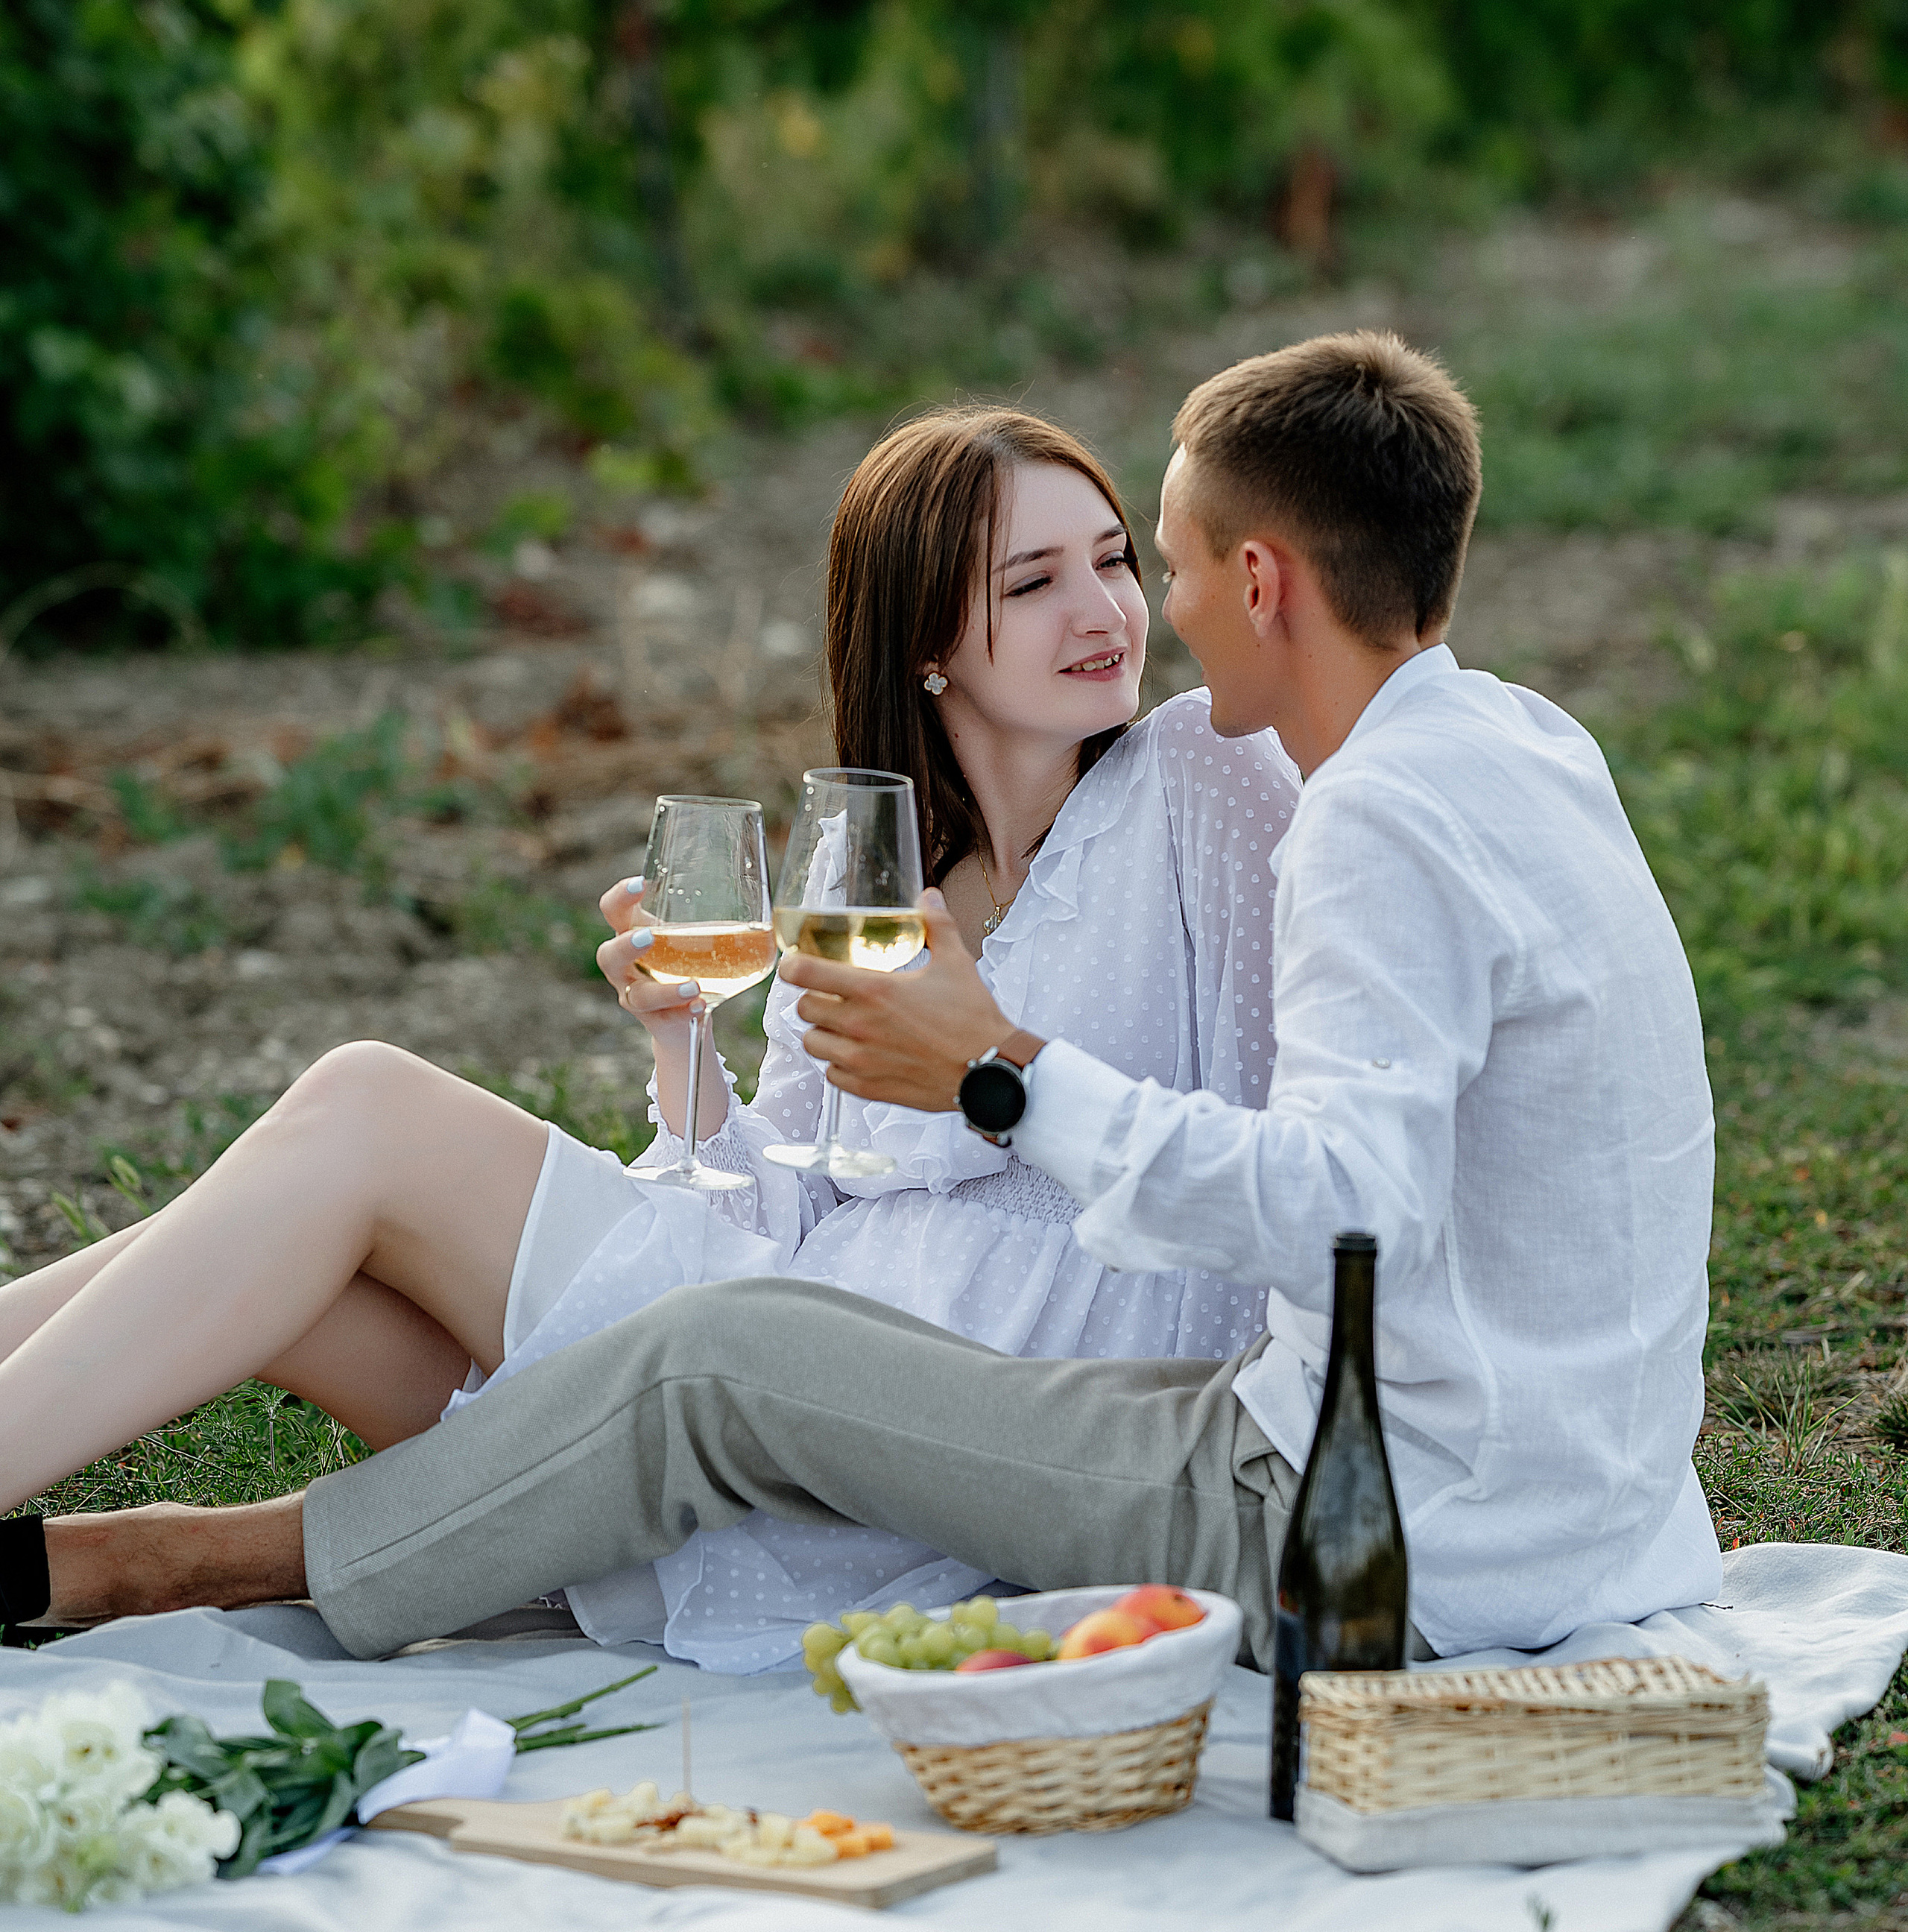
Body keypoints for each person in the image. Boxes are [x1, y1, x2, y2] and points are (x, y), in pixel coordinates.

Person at [6, 329, 1723, 1668]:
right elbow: (793, 1179)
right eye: (1039, 580)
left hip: (1068, 1387)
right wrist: (685, 1052)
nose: (1133, 615)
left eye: (1140, 563)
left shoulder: (1244, 787)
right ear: (924, 640)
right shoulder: (889, 861)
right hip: (823, 1296)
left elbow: (1321, 1203)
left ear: (1254, 579)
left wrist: (996, 1074)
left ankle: (137, 1551)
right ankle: (102, 1525)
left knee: (407, 1155)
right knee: (291, 1242)